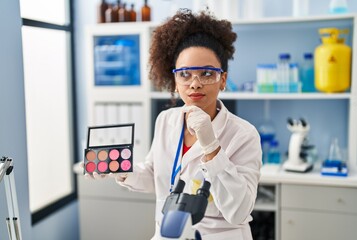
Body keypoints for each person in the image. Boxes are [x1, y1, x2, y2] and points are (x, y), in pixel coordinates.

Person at [88, 8, 262, 240]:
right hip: (169, 233)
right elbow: (154, 175)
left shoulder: (244, 134)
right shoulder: (166, 120)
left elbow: (239, 211)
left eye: (207, 73)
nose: (195, 83)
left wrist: (212, 147)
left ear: (223, 80)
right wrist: (122, 169)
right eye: (185, 74)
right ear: (175, 81)